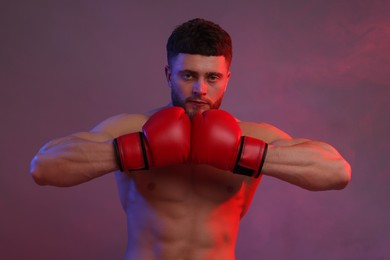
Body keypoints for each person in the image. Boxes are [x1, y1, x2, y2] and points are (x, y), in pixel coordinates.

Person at [30, 18, 351, 260]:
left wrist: (246, 152)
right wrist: (137, 150)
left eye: (212, 77)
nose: (200, 89)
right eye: (188, 76)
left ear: (227, 79)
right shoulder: (132, 128)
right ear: (170, 75)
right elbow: (43, 167)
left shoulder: (253, 136)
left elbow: (337, 172)